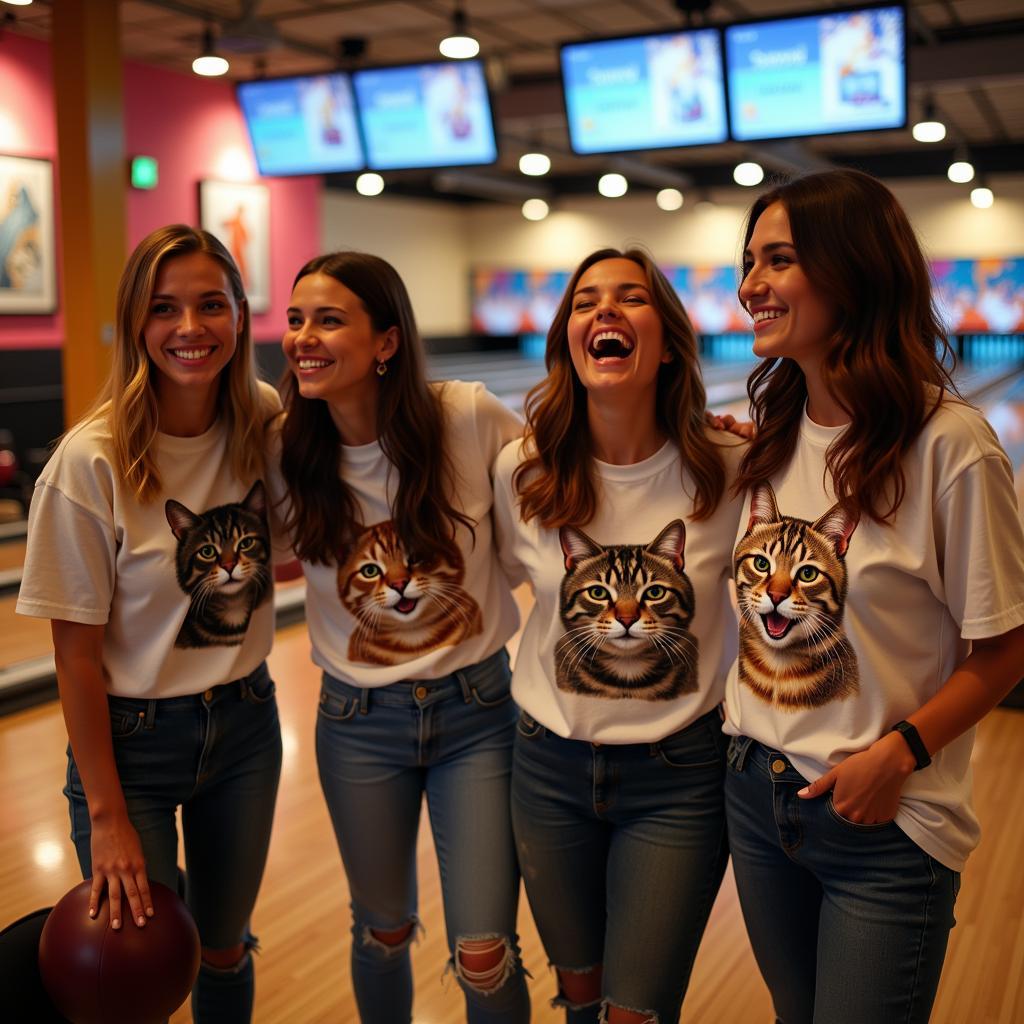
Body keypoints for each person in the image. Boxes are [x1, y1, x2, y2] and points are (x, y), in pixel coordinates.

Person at [724, 168, 1024, 1024]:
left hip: (884, 820)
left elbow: (1006, 646)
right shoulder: (769, 442)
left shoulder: (951, 445)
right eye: (749, 262)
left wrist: (899, 754)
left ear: (852, 269)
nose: (750, 285)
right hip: (755, 792)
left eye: (777, 260)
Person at [16, 225, 283, 1024]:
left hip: (244, 726)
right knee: (138, 970)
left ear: (239, 313)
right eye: (164, 309)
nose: (189, 328)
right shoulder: (89, 462)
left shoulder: (260, 421)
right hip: (130, 747)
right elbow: (75, 659)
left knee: (224, 946)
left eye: (211, 305)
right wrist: (108, 819)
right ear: (137, 323)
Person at [274, 251, 530, 1023]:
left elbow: (562, 494)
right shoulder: (285, 447)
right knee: (381, 931)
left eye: (328, 320)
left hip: (477, 714)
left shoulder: (467, 414)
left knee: (484, 949)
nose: (302, 338)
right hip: (357, 724)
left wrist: (706, 432)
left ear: (386, 341)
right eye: (294, 320)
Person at [492, 247, 745, 1024]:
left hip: (680, 774)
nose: (603, 312)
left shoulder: (732, 468)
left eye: (629, 298)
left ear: (666, 339)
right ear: (568, 338)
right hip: (547, 767)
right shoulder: (522, 472)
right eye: (583, 302)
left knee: (635, 1010)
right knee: (578, 997)